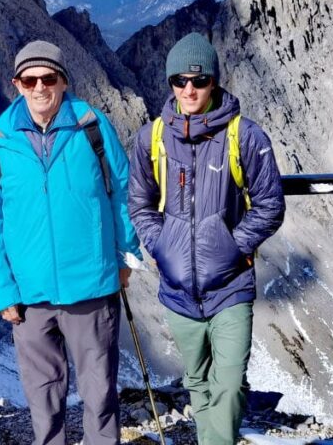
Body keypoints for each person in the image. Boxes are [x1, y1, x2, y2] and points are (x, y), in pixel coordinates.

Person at [0, 40, 142, 445]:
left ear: (63, 81)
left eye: (49, 78)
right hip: (30, 296)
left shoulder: (91, 126)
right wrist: (2, 289)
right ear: (16, 84)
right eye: (29, 79)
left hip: (92, 286)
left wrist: (125, 256)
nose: (39, 87)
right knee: (42, 398)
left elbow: (122, 191)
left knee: (99, 392)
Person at [128, 33, 285, 445]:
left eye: (198, 81)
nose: (189, 90)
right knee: (197, 383)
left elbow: (270, 205)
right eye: (179, 81)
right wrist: (160, 246)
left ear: (213, 81)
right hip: (179, 291)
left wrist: (234, 246)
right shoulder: (152, 139)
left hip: (231, 287)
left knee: (229, 384)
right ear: (170, 84)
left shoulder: (244, 136)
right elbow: (140, 204)